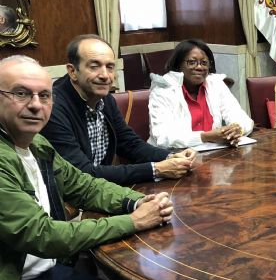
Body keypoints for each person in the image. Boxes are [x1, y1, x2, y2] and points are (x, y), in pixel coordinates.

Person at [0, 55, 173, 280]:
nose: (36, 105)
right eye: (21, 93)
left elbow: (84, 185)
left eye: (44, 95)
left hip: (43, 272)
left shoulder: (37, 145)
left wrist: (135, 201)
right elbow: (43, 235)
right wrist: (133, 221)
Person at [42, 34, 196, 185]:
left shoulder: (105, 99)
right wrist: (156, 169)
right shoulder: (53, 108)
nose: (105, 75)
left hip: (101, 190)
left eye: (110, 67)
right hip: (71, 196)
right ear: (72, 71)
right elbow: (82, 173)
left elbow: (129, 143)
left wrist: (171, 157)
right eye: (94, 66)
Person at [148, 39, 253, 148]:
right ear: (178, 64)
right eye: (192, 62)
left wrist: (236, 129)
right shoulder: (163, 90)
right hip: (172, 155)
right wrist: (205, 137)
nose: (199, 67)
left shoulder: (215, 84)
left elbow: (241, 117)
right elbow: (163, 137)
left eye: (204, 63)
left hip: (212, 153)